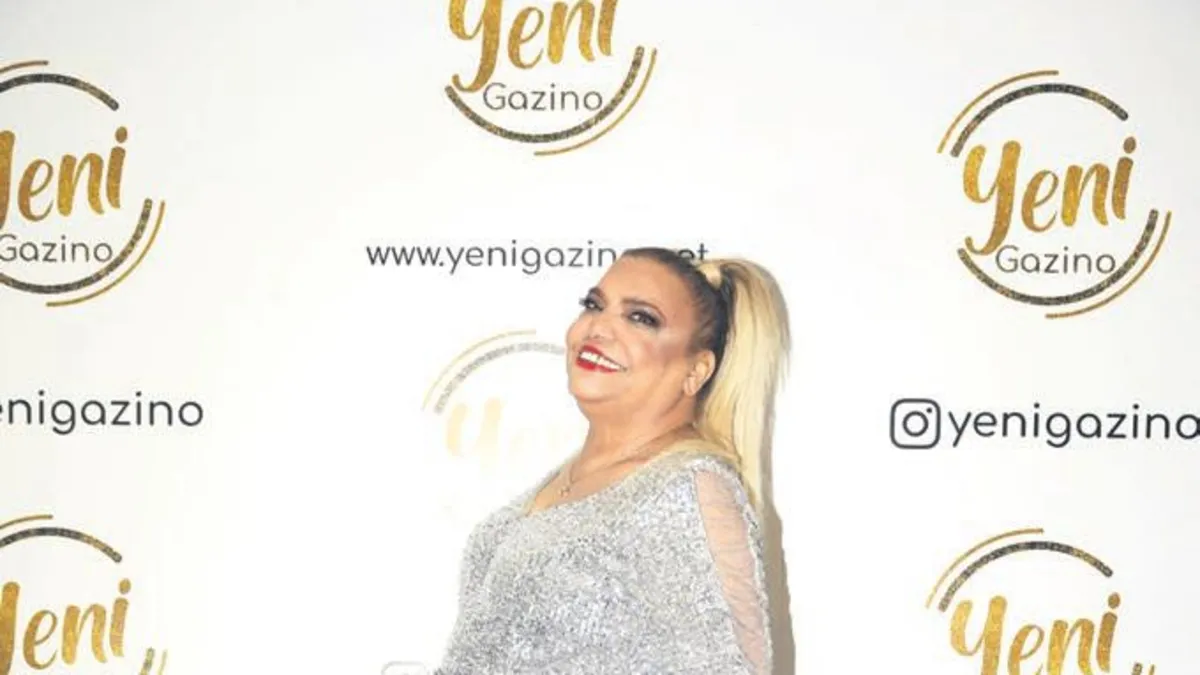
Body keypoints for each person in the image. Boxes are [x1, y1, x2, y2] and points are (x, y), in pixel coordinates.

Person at [435, 247, 790, 674]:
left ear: (696, 371)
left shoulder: (691, 488)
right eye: (593, 305)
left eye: (641, 318)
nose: (599, 326)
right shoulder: (562, 479)